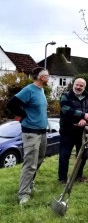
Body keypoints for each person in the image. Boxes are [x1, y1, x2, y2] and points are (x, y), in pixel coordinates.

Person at [7, 67, 50, 205]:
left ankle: (29, 186)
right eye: (46, 75)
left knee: (38, 161)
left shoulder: (41, 90)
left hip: (42, 132)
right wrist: (24, 115)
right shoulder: (29, 90)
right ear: (39, 77)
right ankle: (23, 194)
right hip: (31, 133)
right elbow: (11, 104)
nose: (48, 77)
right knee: (30, 164)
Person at [58, 78, 88, 184]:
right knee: (64, 155)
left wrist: (84, 119)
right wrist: (82, 115)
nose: (78, 87)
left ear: (84, 87)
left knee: (83, 155)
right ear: (73, 84)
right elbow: (65, 109)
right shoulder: (65, 95)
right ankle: (62, 179)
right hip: (67, 130)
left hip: (82, 132)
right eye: (77, 85)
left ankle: (78, 176)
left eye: (81, 86)